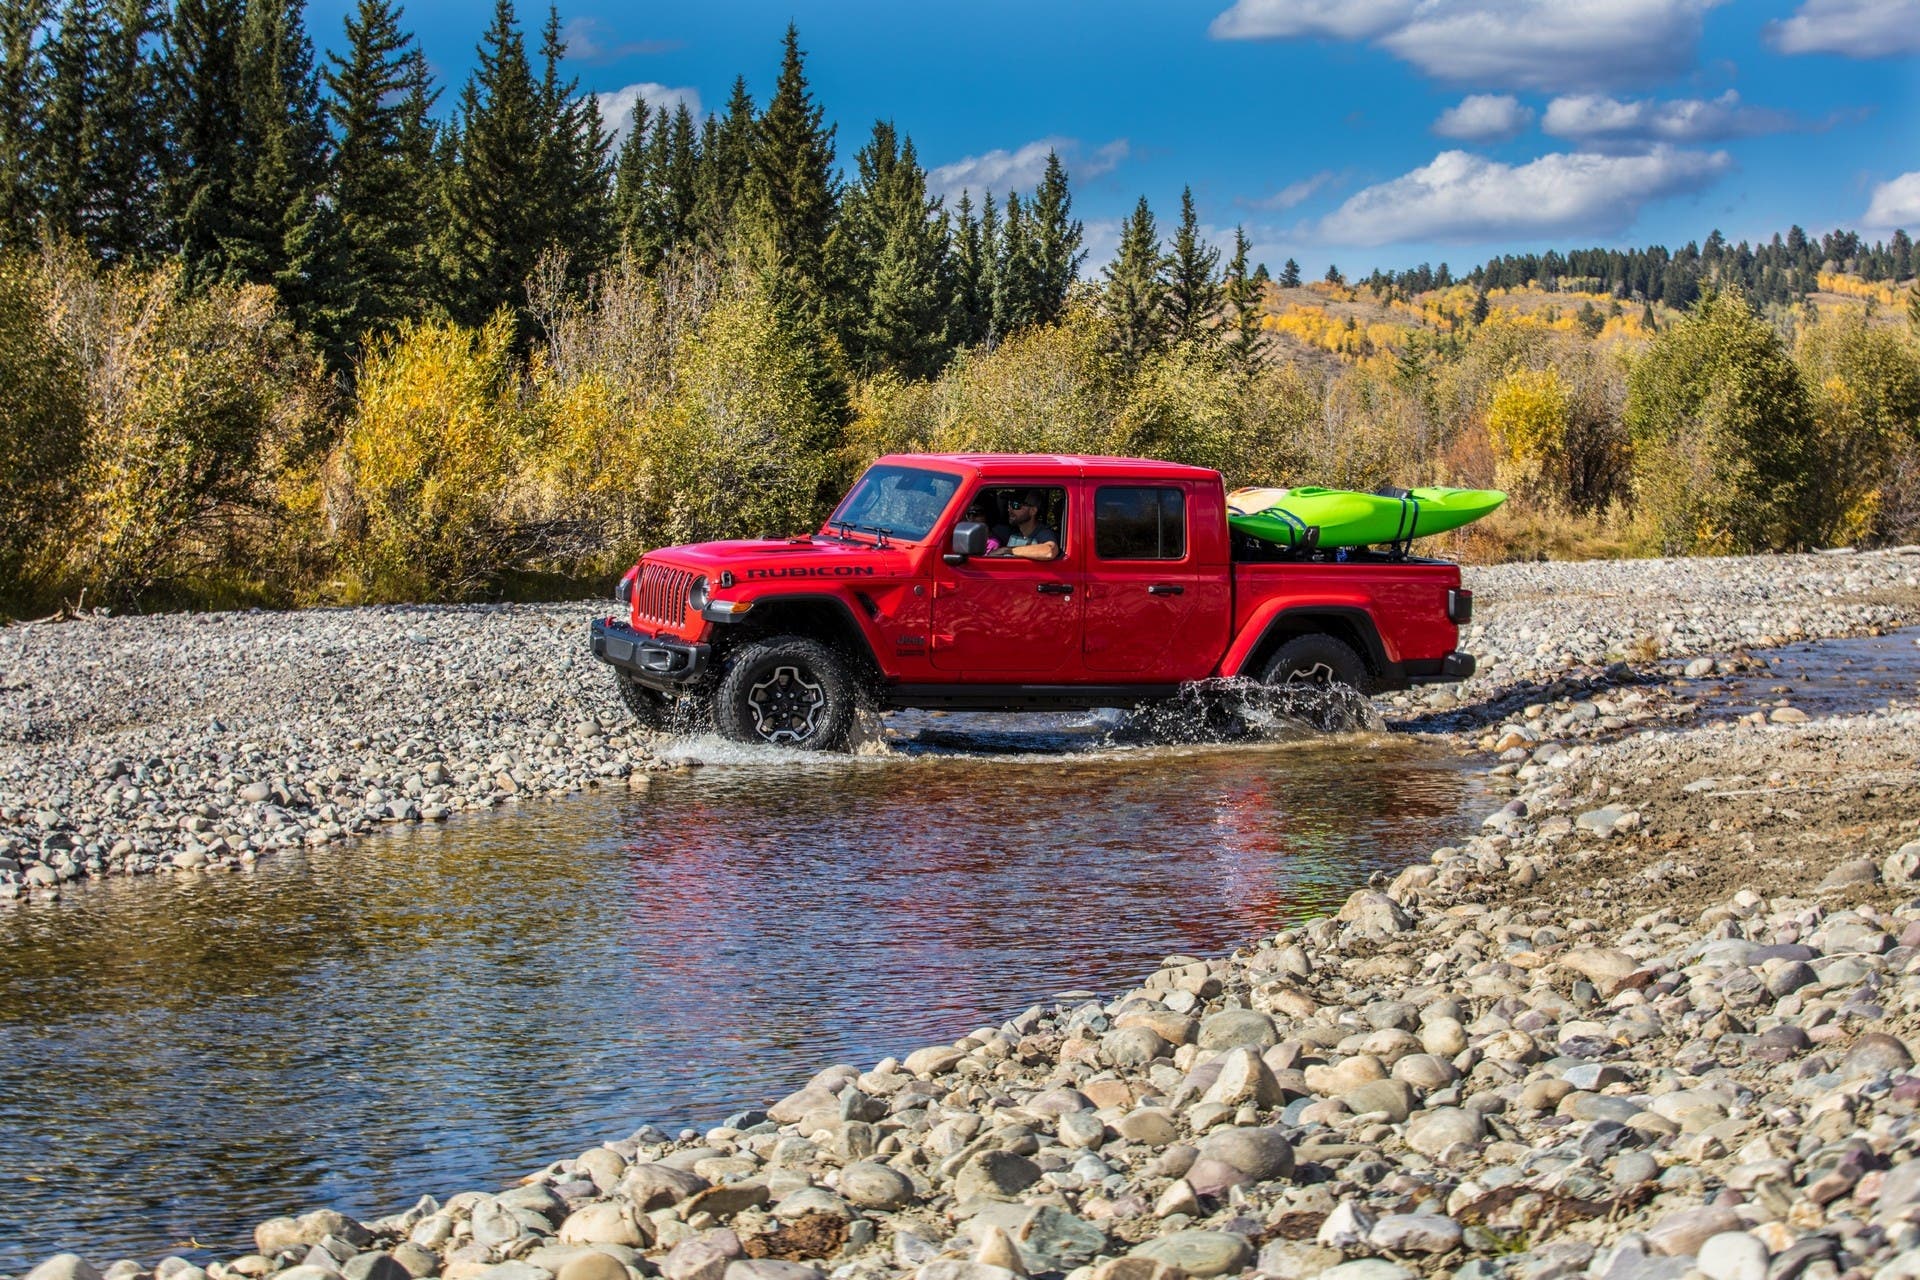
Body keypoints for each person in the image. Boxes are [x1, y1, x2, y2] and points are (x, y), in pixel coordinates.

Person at [998, 489, 1060, 560]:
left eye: (1016, 505)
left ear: (1033, 511)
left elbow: (1050, 551)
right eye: (1009, 504)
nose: (1010, 509)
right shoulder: (1015, 534)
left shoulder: (1044, 534)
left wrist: (1008, 550)